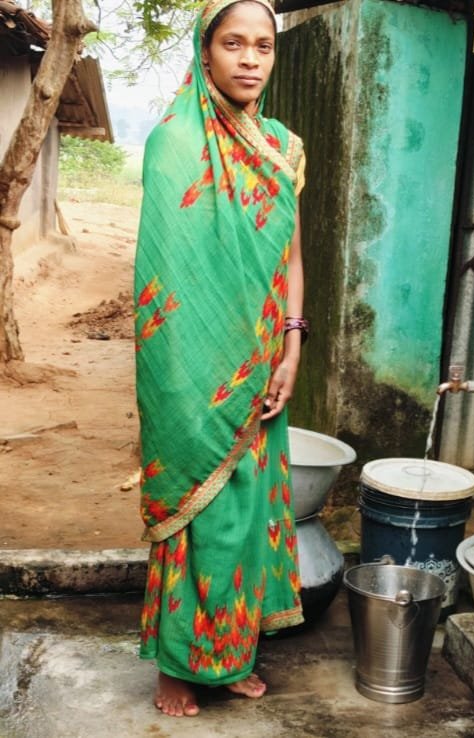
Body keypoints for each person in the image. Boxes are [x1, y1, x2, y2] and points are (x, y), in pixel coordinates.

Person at [133, 0, 307, 717]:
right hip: (188, 361)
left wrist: (292, 344)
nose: (249, 59)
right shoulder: (173, 141)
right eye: (233, 43)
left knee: (246, 509)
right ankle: (177, 665)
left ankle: (230, 656)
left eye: (263, 46)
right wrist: (180, 376)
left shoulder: (282, 146)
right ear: (204, 51)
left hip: (262, 359)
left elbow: (290, 255)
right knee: (196, 506)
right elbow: (165, 269)